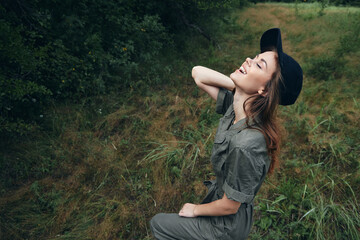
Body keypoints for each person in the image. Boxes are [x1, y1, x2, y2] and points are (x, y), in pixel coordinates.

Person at [150, 28, 303, 240]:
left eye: (259, 64)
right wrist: (241, 86)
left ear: (266, 91)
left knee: (158, 224)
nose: (249, 59)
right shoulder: (238, 107)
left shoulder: (247, 143)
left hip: (225, 227)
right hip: (220, 206)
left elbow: (230, 206)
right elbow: (198, 74)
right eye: (256, 57)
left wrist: (194, 210)